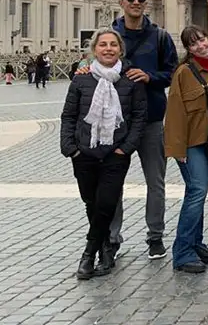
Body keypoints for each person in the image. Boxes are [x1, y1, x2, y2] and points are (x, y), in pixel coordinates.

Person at [59, 28, 147, 279]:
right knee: (92, 203)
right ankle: (106, 248)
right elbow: (69, 115)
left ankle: (88, 253)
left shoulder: (131, 80)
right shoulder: (81, 79)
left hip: (115, 153)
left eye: (113, 45)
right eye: (103, 45)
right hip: (84, 152)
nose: (108, 49)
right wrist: (70, 148)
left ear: (120, 49)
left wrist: (124, 149)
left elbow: (139, 118)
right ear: (94, 50)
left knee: (106, 202)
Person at [106, 0, 178, 260]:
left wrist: (150, 77)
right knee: (113, 182)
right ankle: (112, 238)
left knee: (155, 181)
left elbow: (171, 72)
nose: (137, 2)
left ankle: (155, 236)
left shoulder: (159, 36)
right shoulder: (110, 37)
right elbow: (97, 65)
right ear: (121, 1)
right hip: (116, 121)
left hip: (150, 118)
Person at [164, 25, 208, 273]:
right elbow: (175, 113)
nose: (201, 45)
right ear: (188, 49)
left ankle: (195, 243)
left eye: (202, 40)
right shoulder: (183, 72)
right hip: (190, 143)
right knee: (197, 191)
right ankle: (182, 252)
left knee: (198, 193)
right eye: (194, 44)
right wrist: (176, 148)